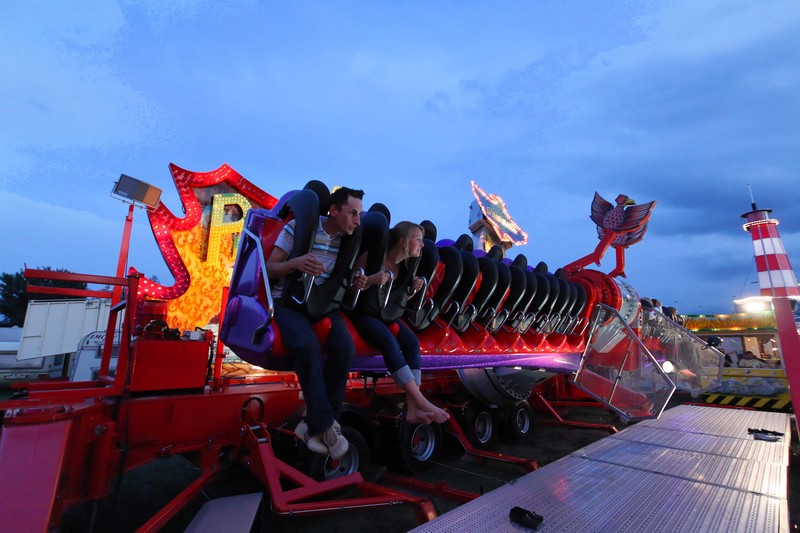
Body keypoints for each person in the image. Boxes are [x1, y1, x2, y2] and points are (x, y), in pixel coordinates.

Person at [267, 186, 367, 460]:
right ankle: (326, 427)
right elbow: (269, 268)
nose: (357, 221)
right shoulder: (298, 228)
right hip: (289, 300)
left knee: (345, 347)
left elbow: (347, 279)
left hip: (323, 303)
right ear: (333, 210)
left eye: (359, 215)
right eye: (353, 213)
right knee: (306, 345)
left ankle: (315, 424)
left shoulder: (349, 240)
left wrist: (359, 281)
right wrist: (296, 263)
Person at [348, 221, 450, 425]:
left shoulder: (406, 266)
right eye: (418, 239)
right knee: (389, 342)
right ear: (403, 241)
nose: (422, 245)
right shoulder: (374, 256)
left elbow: (399, 299)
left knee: (412, 343)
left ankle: (413, 408)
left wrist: (413, 289)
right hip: (363, 313)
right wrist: (372, 280)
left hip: (386, 314)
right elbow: (350, 287)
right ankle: (420, 400)